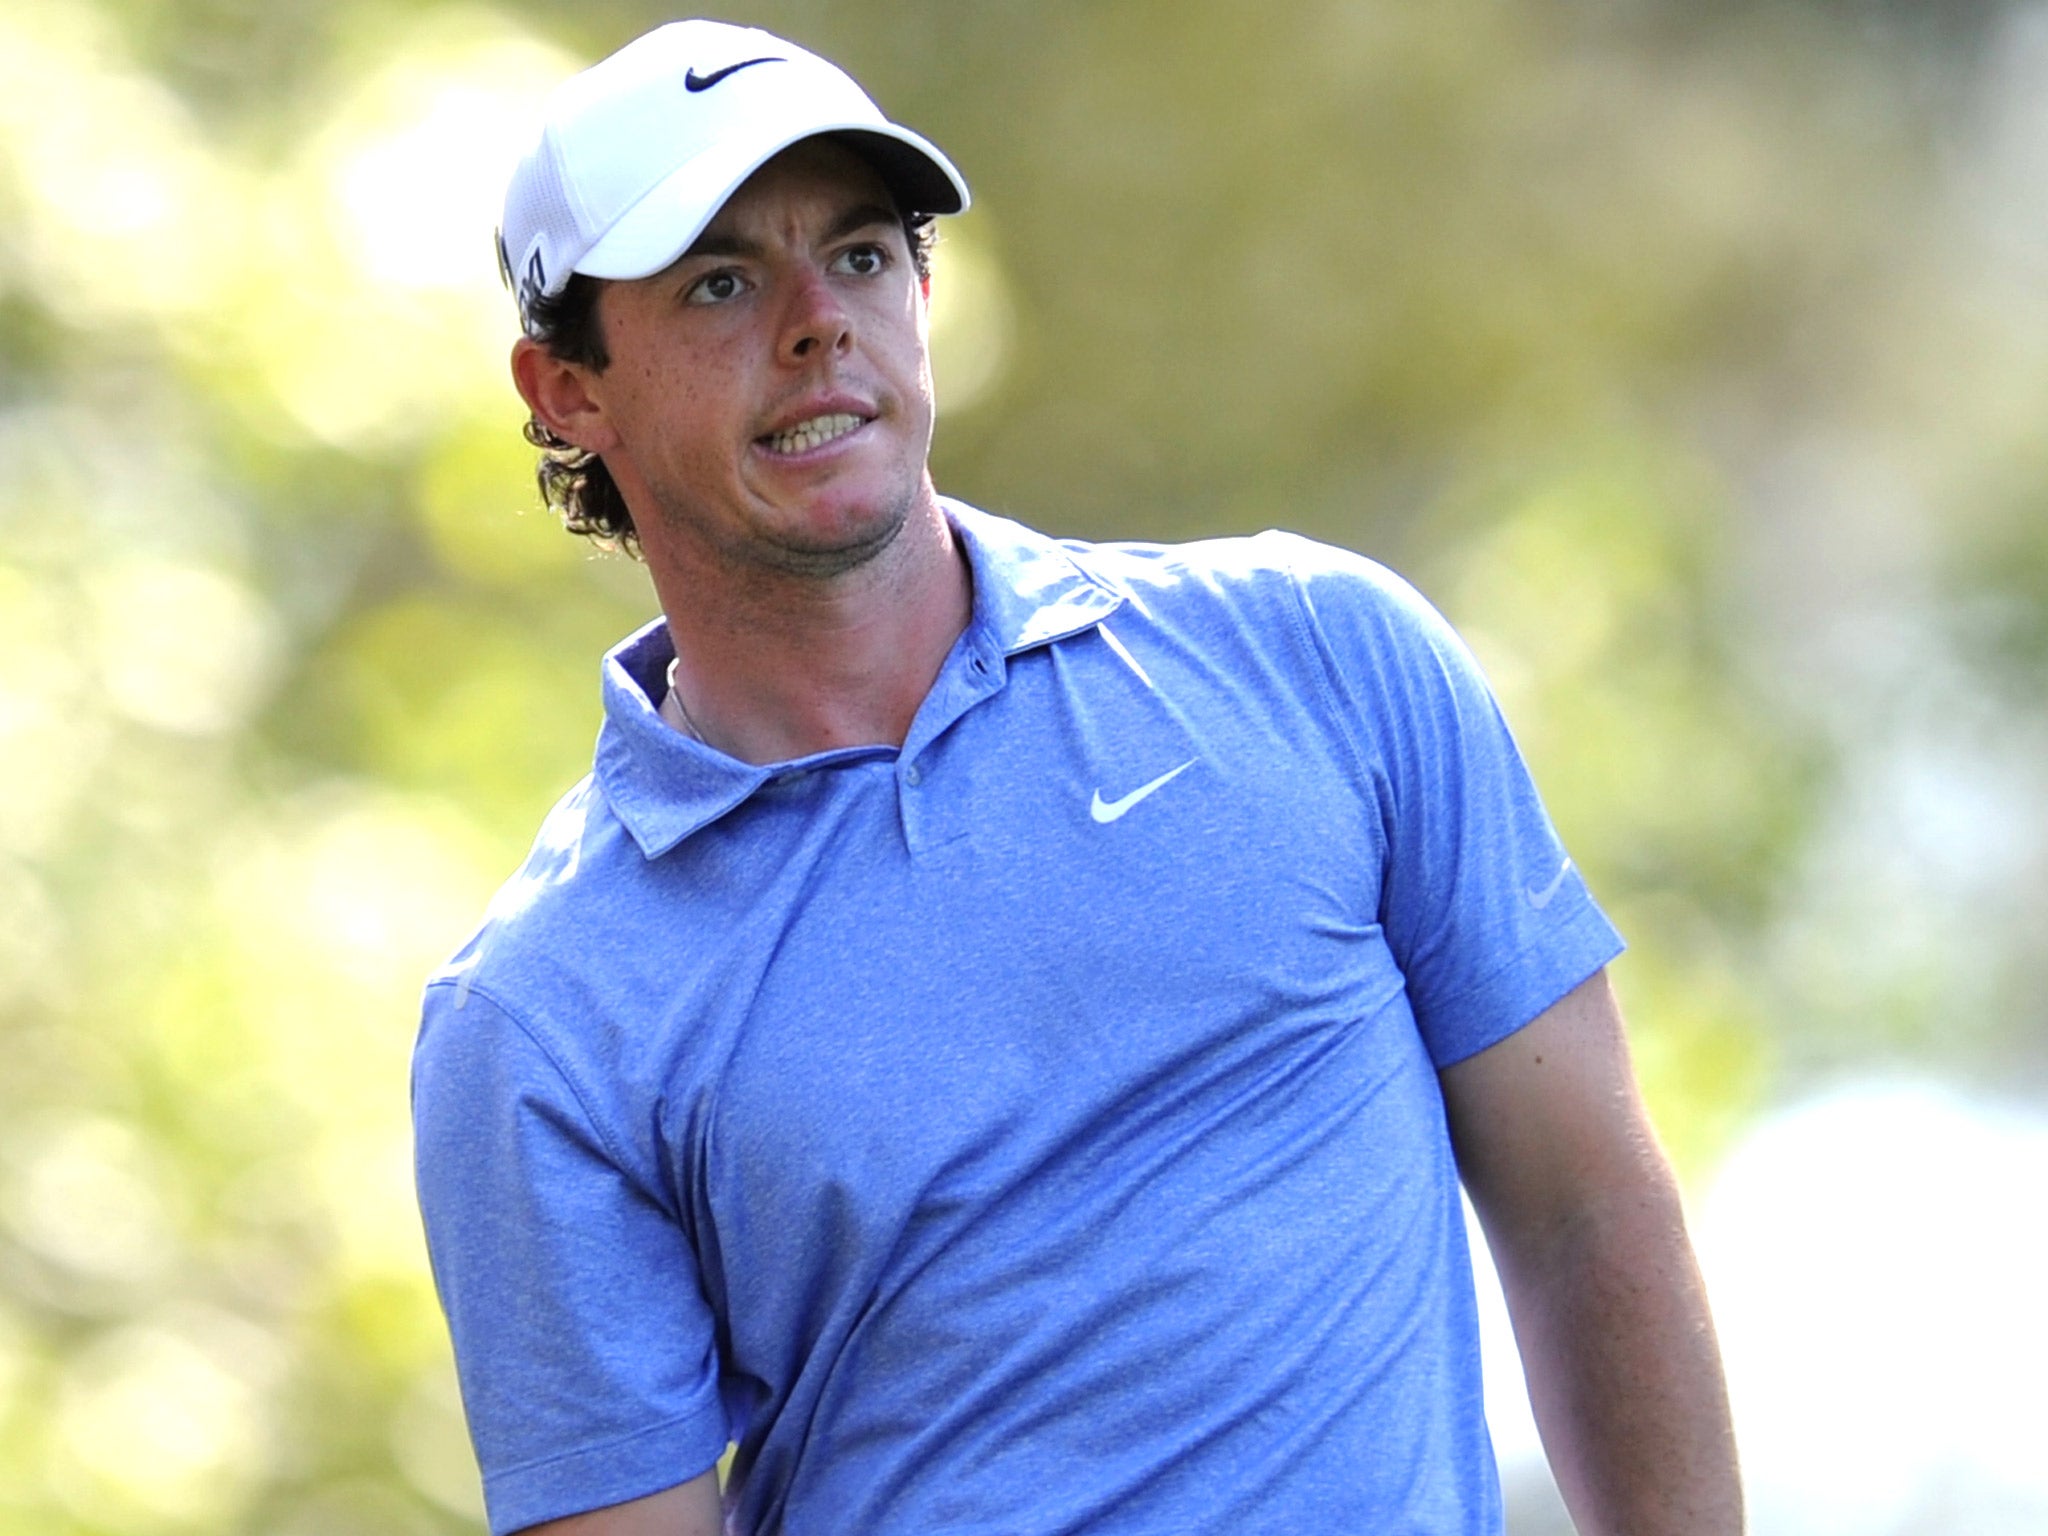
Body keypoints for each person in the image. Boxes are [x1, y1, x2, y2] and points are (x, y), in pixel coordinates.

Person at [412, 18, 1742, 1536]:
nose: (814, 325)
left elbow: (1587, 1214)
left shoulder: (1322, 656)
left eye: (857, 257)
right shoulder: (540, 1017)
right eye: (720, 282)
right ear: (566, 389)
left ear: (919, 293)